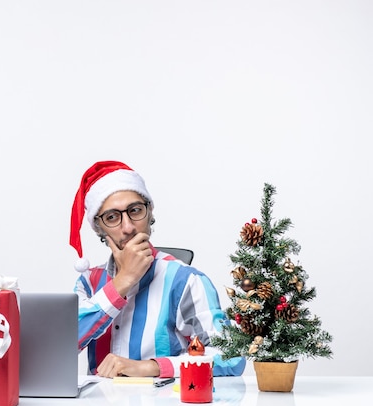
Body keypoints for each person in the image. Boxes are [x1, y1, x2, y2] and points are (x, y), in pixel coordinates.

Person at [69, 160, 245, 378]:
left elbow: (231, 357)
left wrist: (150, 367)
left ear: (150, 212)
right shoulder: (88, 282)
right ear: (100, 229)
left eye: (135, 210)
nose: (128, 227)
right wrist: (122, 282)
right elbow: (60, 345)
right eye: (112, 217)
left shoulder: (186, 281)